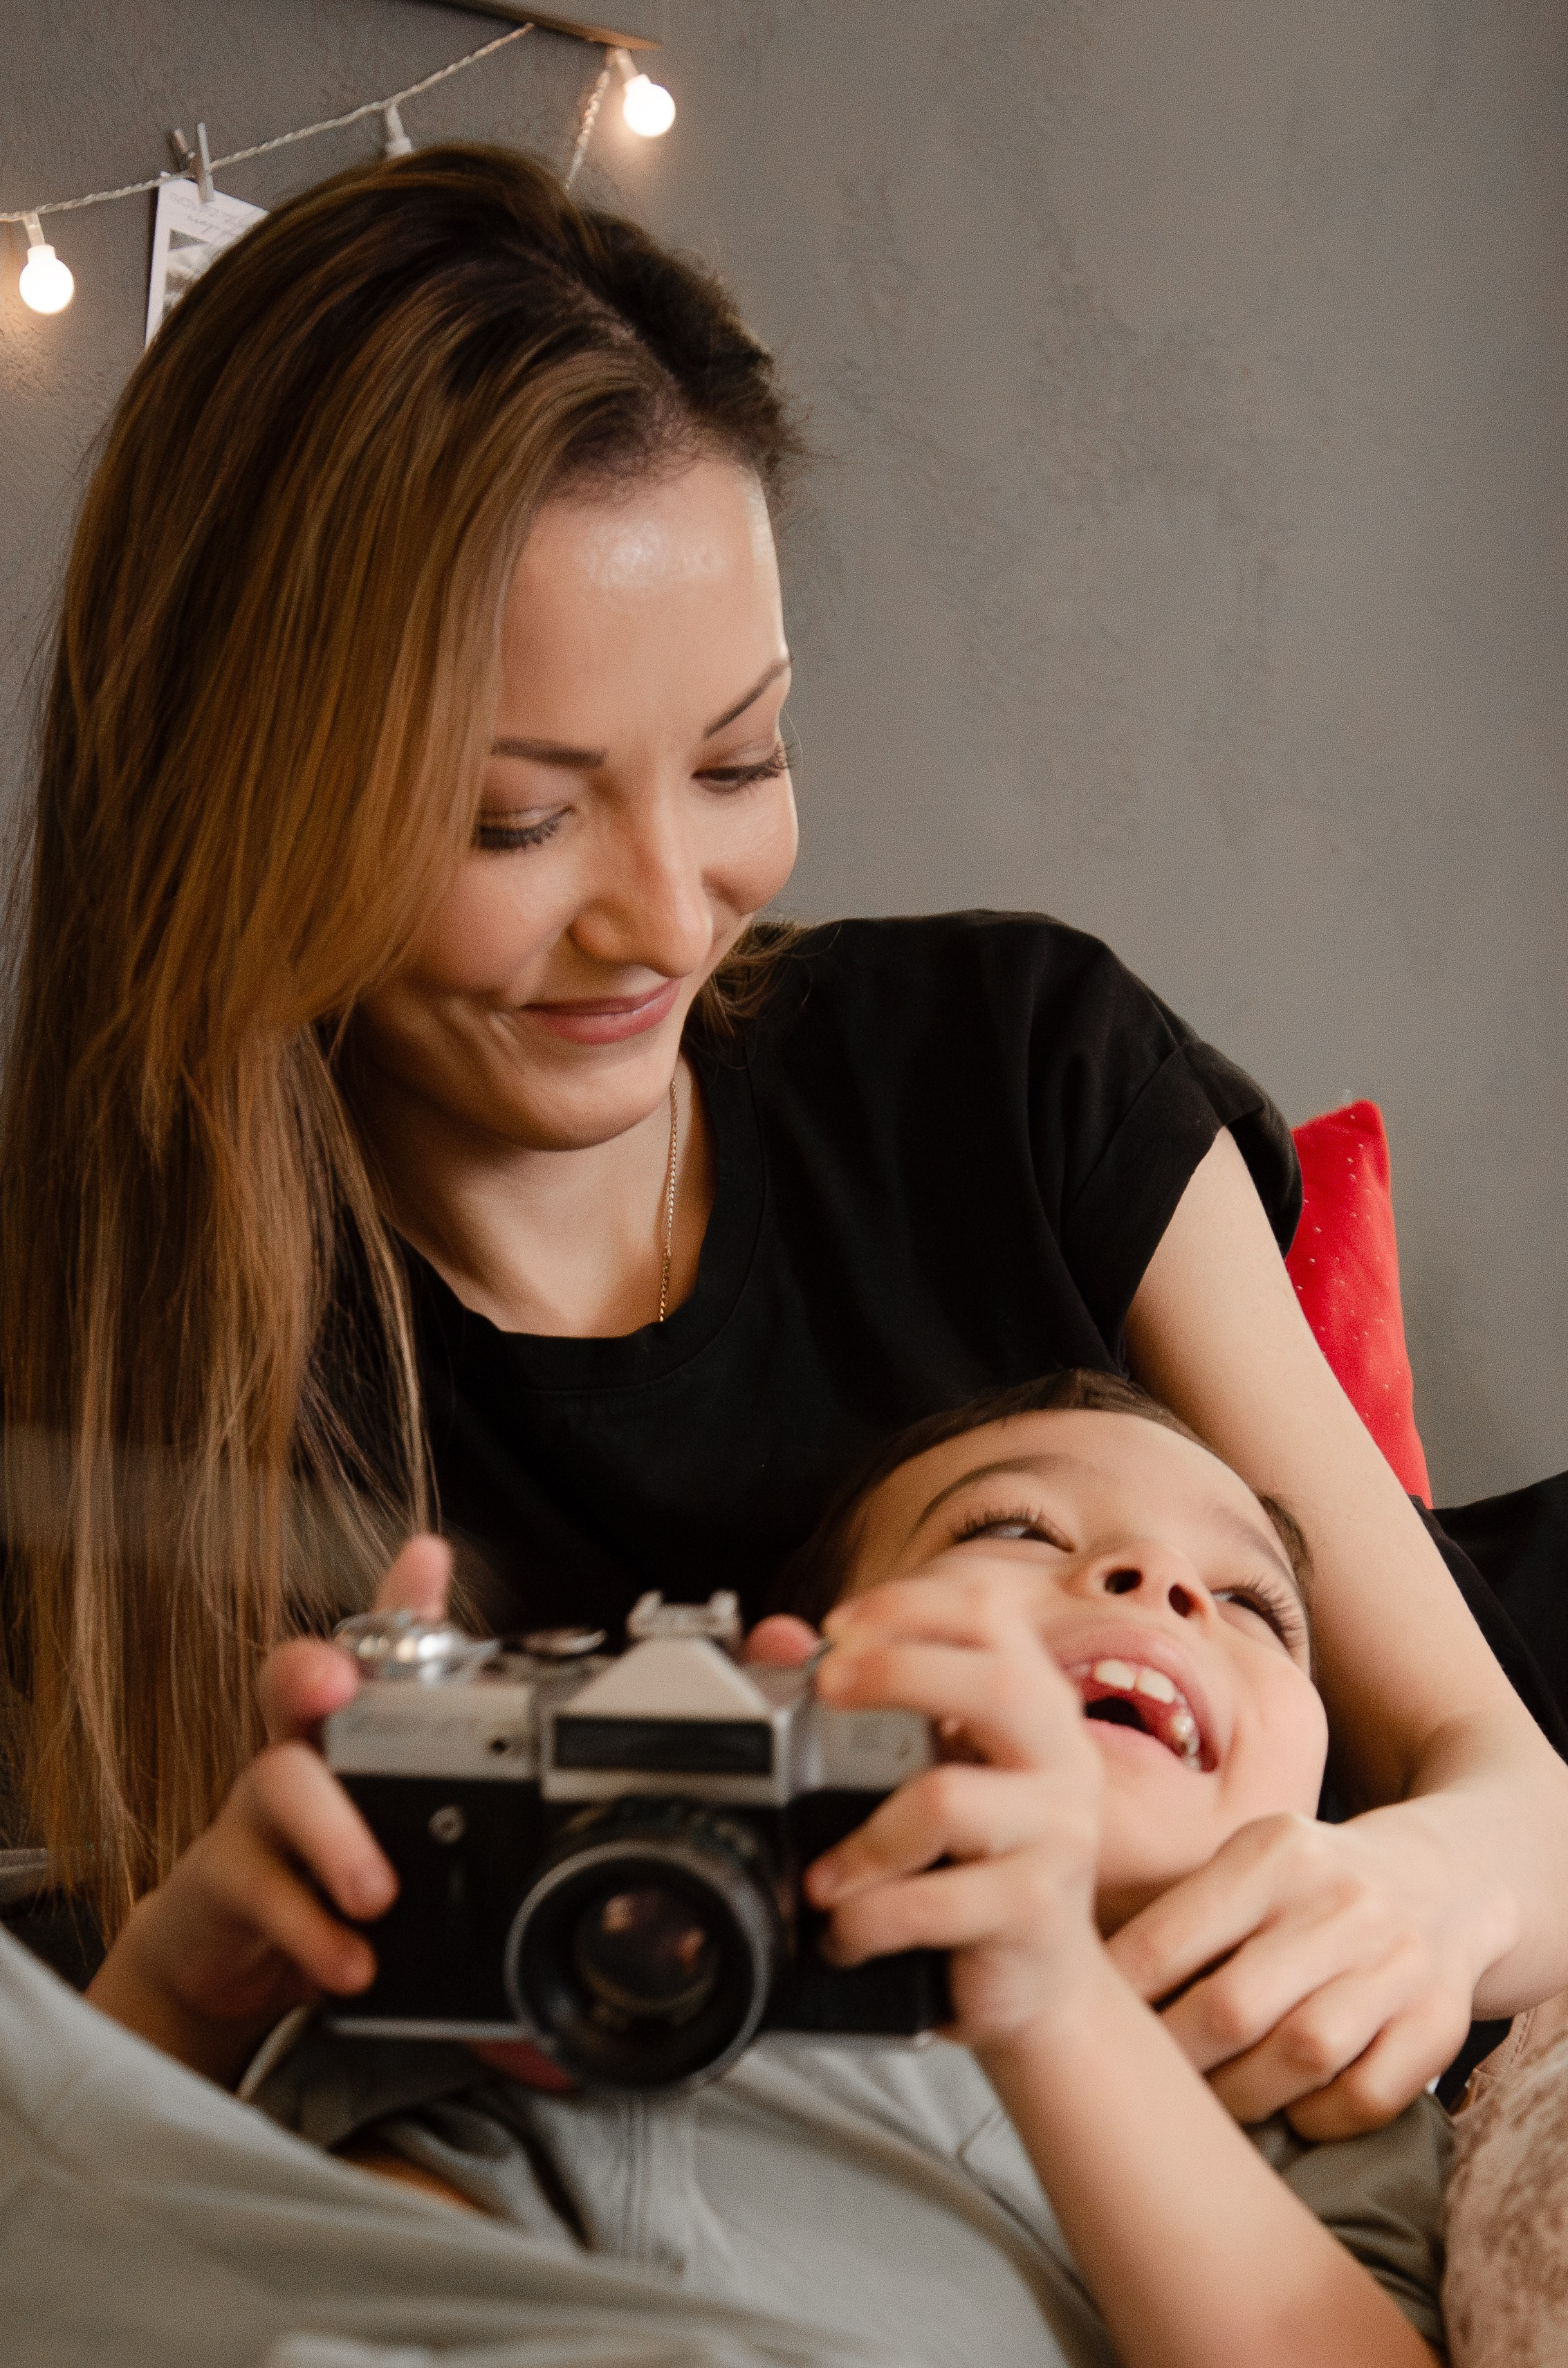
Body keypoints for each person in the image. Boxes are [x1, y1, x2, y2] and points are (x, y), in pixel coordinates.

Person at [3, 142, 1565, 2140]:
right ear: (242, 801)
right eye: (519, 819)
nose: (669, 912)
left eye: (740, 759)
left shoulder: (1003, 1067)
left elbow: (1505, 1784)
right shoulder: (119, 1393)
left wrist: (1417, 1894)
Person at [79, 1371, 1447, 2368]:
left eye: (1258, 1604)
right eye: (1014, 1529)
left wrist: (1053, 2002)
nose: (1153, 1577)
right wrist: (174, 2003)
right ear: (801, 1670)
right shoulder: (571, 1843)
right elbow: (91, 2254)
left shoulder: (1310, 2073)